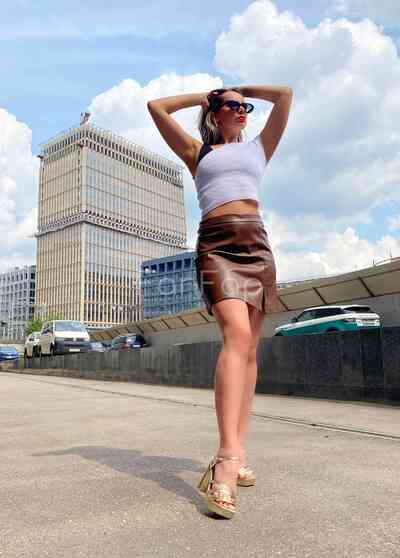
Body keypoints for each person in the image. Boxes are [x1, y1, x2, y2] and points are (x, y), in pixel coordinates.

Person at [147, 84, 292, 519]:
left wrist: (243, 89)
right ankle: (226, 461)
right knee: (237, 336)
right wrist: (202, 97)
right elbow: (156, 107)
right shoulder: (198, 153)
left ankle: (237, 449)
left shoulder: (259, 148)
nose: (242, 110)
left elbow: (284, 96)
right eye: (233, 105)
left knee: (249, 351)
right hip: (217, 245)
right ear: (216, 112)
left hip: (256, 244)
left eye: (245, 106)